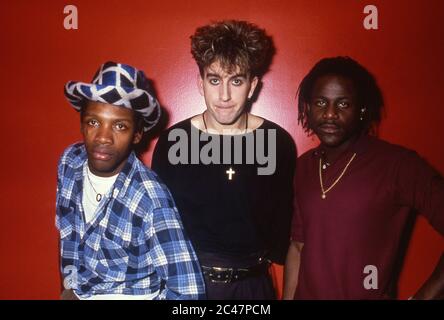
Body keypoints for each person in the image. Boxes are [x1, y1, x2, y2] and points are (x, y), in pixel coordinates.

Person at [152, 20, 296, 299]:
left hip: (252, 287)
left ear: (252, 86)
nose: (225, 96)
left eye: (237, 81)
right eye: (215, 80)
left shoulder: (278, 143)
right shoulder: (172, 143)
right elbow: (158, 228)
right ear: (200, 82)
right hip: (187, 286)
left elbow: (284, 233)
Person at [283, 56, 444, 299]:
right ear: (307, 107)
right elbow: (298, 247)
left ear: (361, 110)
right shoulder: (303, 167)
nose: (329, 114)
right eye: (320, 102)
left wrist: (425, 296)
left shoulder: (397, 164)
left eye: (343, 104)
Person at [56, 61, 205, 300]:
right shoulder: (70, 163)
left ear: (137, 134)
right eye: (94, 122)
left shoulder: (150, 197)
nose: (103, 137)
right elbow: (69, 238)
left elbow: (189, 292)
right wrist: (69, 288)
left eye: (120, 126)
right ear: (82, 123)